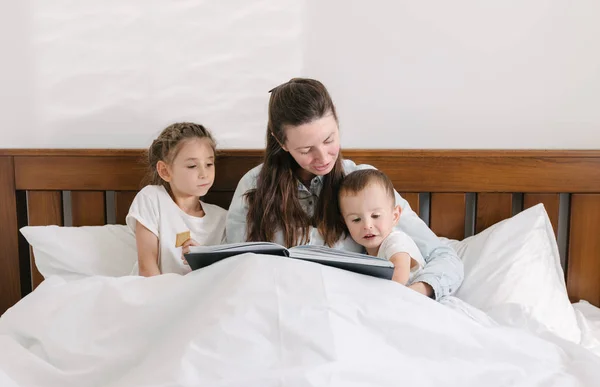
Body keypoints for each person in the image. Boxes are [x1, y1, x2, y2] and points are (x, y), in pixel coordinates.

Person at [226, 78, 463, 299]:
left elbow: (442, 256)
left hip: (355, 308)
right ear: (281, 142)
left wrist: (412, 294)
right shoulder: (253, 188)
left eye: (329, 140)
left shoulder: (364, 184)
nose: (323, 158)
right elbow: (235, 268)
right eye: (306, 150)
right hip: (281, 306)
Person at [126, 122, 227, 276]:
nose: (204, 173)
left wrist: (202, 259)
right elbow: (147, 268)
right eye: (192, 166)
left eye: (209, 164)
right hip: (153, 293)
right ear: (165, 171)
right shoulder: (152, 199)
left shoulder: (222, 218)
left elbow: (224, 275)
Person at [338, 169, 425, 285]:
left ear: (394, 216)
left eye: (375, 216)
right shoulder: (363, 251)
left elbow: (399, 276)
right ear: (345, 222)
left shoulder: (396, 241)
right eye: (356, 219)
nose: (367, 226)